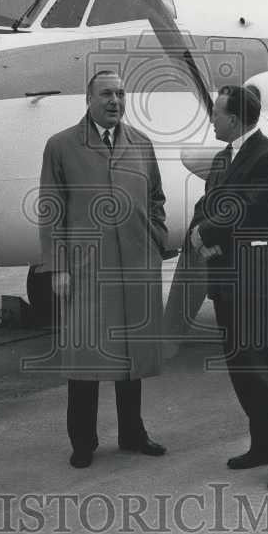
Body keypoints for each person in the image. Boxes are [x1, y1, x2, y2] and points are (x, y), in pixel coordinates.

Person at [38, 70, 168, 469]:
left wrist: (155, 240)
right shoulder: (61, 146)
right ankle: (83, 442)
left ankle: (133, 433)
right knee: (86, 361)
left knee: (131, 358)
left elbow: (157, 198)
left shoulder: (141, 145)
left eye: (121, 94)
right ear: (89, 99)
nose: (115, 101)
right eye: (107, 94)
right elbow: (50, 211)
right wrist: (58, 268)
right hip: (86, 270)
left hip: (135, 266)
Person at [187, 83, 268, 490]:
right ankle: (262, 444)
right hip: (227, 278)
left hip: (259, 280)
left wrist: (208, 233)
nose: (212, 119)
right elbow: (208, 204)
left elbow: (251, 206)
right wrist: (200, 229)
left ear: (234, 119)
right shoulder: (222, 159)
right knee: (242, 368)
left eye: (216, 113)